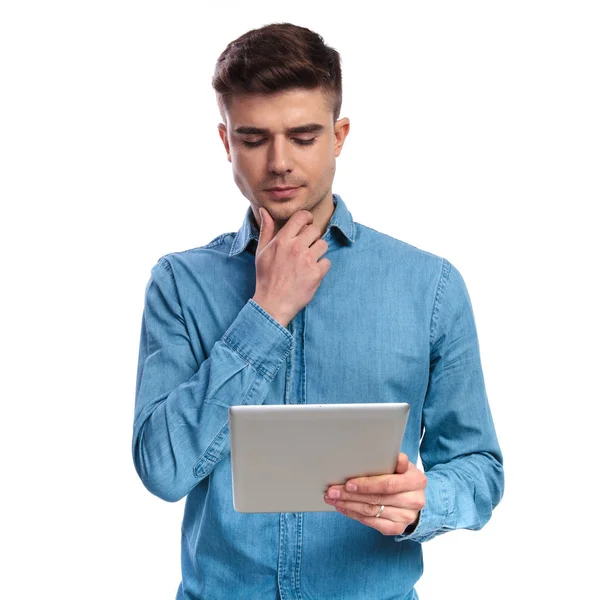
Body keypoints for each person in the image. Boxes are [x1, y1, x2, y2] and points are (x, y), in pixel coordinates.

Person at [132, 22, 504, 600]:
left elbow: (479, 466)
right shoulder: (180, 283)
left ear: (339, 136)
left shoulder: (430, 285)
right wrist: (266, 313)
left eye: (303, 136)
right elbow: (163, 469)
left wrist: (422, 502)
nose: (279, 162)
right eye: (254, 139)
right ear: (227, 142)